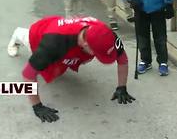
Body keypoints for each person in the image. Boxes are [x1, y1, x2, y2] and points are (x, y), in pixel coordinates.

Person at [7, 16, 136, 123]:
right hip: (40, 34)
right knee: (47, 67)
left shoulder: (105, 33)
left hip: (68, 35)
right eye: (99, 54)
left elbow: (122, 59)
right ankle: (17, 34)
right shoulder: (53, 43)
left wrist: (122, 87)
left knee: (62, 66)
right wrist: (37, 106)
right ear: (85, 44)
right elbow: (28, 74)